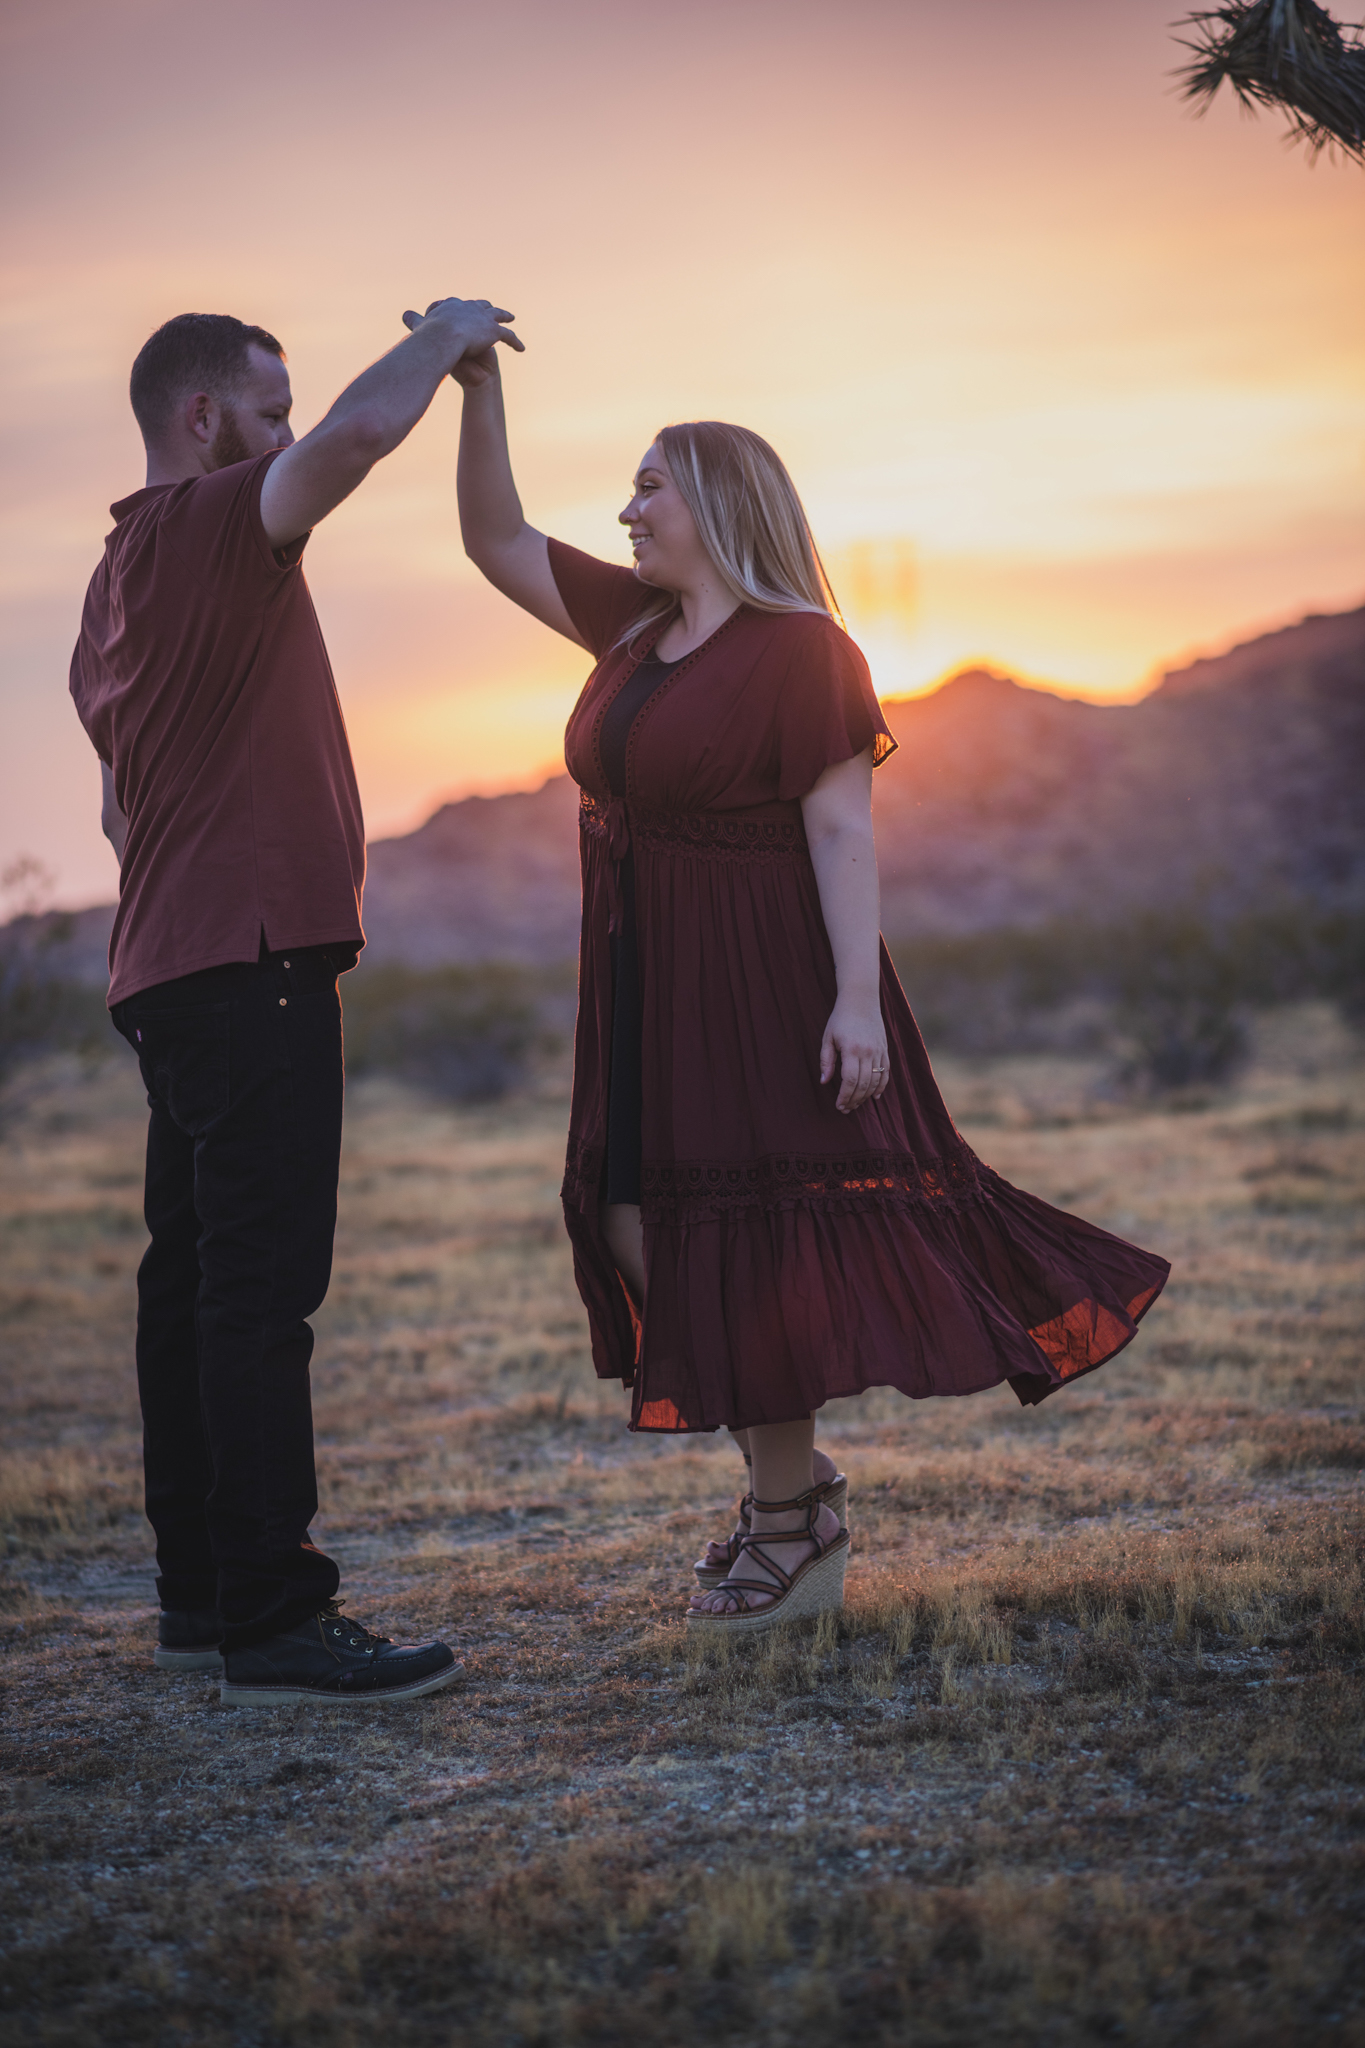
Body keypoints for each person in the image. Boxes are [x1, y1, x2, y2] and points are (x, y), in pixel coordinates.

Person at [442, 313, 1171, 1633]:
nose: (623, 511)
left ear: (718, 502)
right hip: (643, 971)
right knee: (626, 1221)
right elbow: (494, 541)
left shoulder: (804, 651)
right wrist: (475, 393)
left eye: (647, 486)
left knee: (744, 1234)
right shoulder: (629, 626)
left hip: (767, 976)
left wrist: (851, 999)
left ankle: (790, 1517)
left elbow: (840, 828)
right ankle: (798, 1486)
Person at [70, 300, 524, 1702]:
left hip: (173, 971)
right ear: (203, 420)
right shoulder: (209, 526)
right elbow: (363, 434)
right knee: (259, 1297)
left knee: (194, 1292)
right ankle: (272, 1616)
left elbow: (109, 812)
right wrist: (450, 333)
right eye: (268, 411)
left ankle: (203, 1601)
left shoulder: (113, 586)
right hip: (248, 968)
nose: (288, 434)